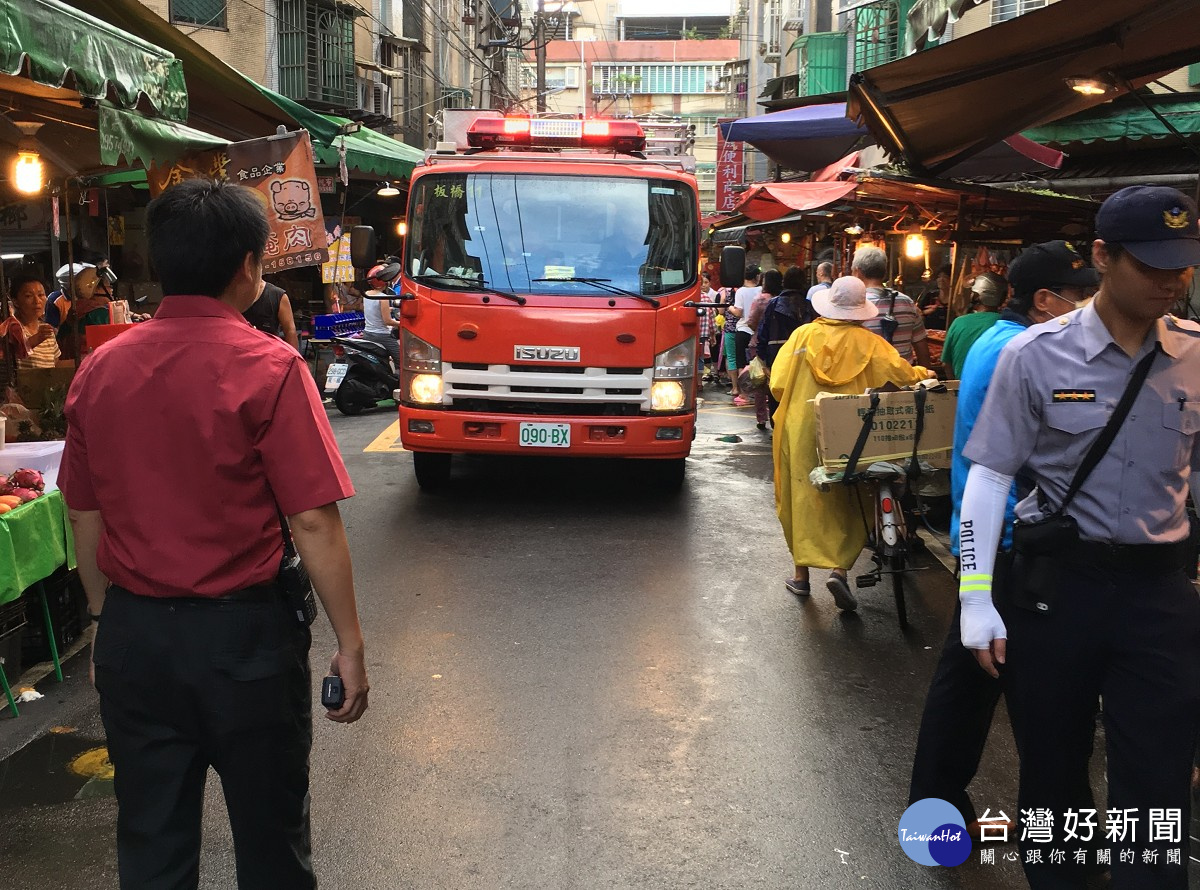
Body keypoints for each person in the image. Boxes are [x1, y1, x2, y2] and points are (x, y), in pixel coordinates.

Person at [58, 178, 369, 889]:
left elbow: (84, 512)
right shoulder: (271, 367)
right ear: (248, 268)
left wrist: (107, 621)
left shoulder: (100, 369)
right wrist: (349, 644)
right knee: (271, 846)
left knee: (153, 845)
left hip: (137, 639)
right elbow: (313, 519)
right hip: (245, 644)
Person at [958, 186, 1200, 888]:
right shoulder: (1034, 357)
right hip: (1059, 590)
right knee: (1055, 770)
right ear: (1103, 256)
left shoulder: (1193, 357)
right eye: (1152, 264)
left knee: (1157, 778)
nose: (1171, 280)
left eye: (1182, 265)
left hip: (1160, 594)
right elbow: (990, 479)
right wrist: (976, 596)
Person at [908, 241, 1099, 841]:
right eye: (1082, 294)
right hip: (1010, 540)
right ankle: (1066, 832)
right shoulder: (1021, 353)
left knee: (969, 682)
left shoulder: (994, 340)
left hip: (994, 535)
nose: (1091, 305)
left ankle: (936, 806)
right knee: (1033, 693)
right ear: (1045, 301)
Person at [770, 276, 933, 610]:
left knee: (802, 496)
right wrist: (924, 374)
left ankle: (800, 576)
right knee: (852, 497)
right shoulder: (871, 343)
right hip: (851, 433)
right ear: (861, 311)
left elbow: (777, 383)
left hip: (802, 429)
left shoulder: (803, 336)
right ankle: (839, 571)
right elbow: (901, 375)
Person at [853, 246, 933, 368]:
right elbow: (922, 350)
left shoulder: (854, 304)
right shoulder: (907, 303)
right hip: (903, 381)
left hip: (866, 381)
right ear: (884, 272)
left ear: (857, 272)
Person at [938, 271, 1008, 378]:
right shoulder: (1007, 324)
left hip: (962, 391)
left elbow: (946, 364)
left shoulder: (958, 322)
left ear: (976, 296)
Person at [746, 269, 779, 428]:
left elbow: (751, 321)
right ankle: (778, 415)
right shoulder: (782, 300)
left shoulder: (760, 300)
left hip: (758, 342)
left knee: (759, 381)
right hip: (781, 345)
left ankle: (761, 418)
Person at [7, 273, 60, 370]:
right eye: (28, 296)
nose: (37, 301)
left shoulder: (46, 329)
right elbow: (8, 356)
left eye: (41, 295)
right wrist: (35, 340)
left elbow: (56, 363)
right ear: (15, 301)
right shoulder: (10, 327)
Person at [731, 265, 762, 406]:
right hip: (757, 332)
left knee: (741, 363)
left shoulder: (741, 291)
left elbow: (738, 312)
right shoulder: (762, 290)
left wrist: (730, 307)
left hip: (743, 330)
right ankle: (760, 393)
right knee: (759, 363)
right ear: (757, 277)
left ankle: (744, 395)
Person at [242, 277, 300, 352]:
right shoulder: (231, 296)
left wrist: (294, 361)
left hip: (269, 356)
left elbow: (290, 331)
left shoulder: (278, 296)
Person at [361, 264, 402, 370]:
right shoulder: (383, 298)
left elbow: (373, 311)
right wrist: (402, 324)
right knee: (401, 361)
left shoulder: (366, 294)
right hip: (382, 336)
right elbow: (387, 321)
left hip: (367, 334)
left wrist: (389, 310)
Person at [918, 264, 952, 330]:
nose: (941, 279)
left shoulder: (957, 300)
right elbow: (917, 315)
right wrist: (926, 312)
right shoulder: (930, 296)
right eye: (939, 276)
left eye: (945, 277)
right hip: (930, 336)